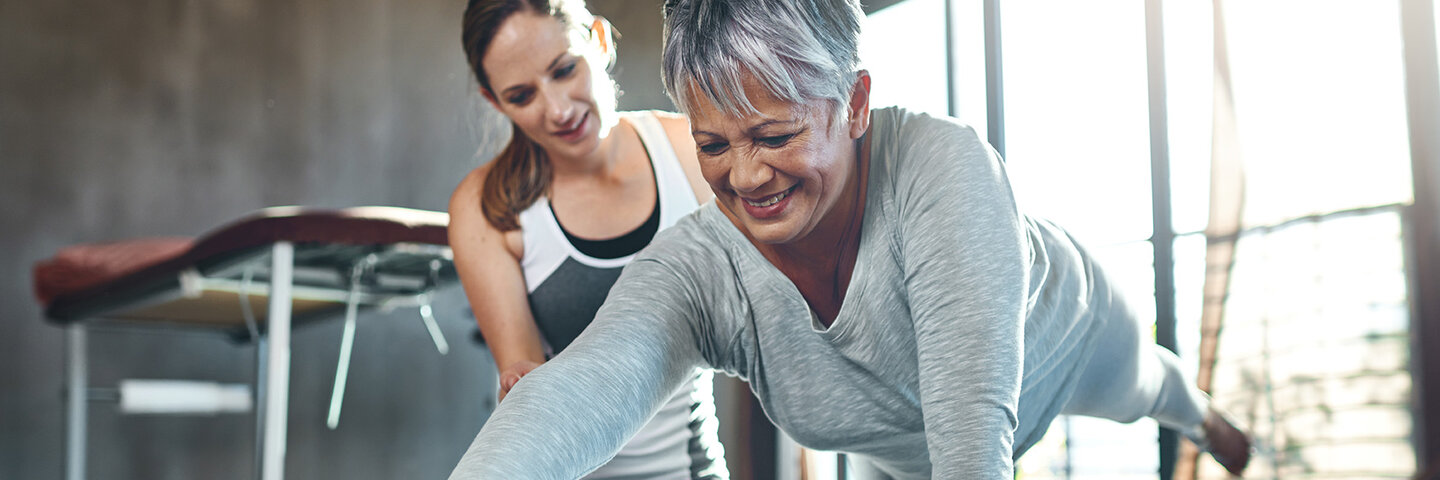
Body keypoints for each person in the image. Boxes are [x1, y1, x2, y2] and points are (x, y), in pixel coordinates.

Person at [448, 0, 1253, 478]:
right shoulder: (702, 266)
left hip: (1065, 347)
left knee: (1149, 387)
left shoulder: (945, 171)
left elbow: (972, 440)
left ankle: (1206, 417)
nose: (748, 178)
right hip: (900, 449)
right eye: (716, 146)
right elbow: (576, 384)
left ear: (856, 101)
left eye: (774, 135)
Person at [447, 0, 727, 478]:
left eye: (563, 70)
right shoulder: (487, 206)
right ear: (495, 102)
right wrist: (520, 381)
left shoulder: (691, 150)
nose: (557, 110)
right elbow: (524, 381)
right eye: (521, 97)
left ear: (598, 40)